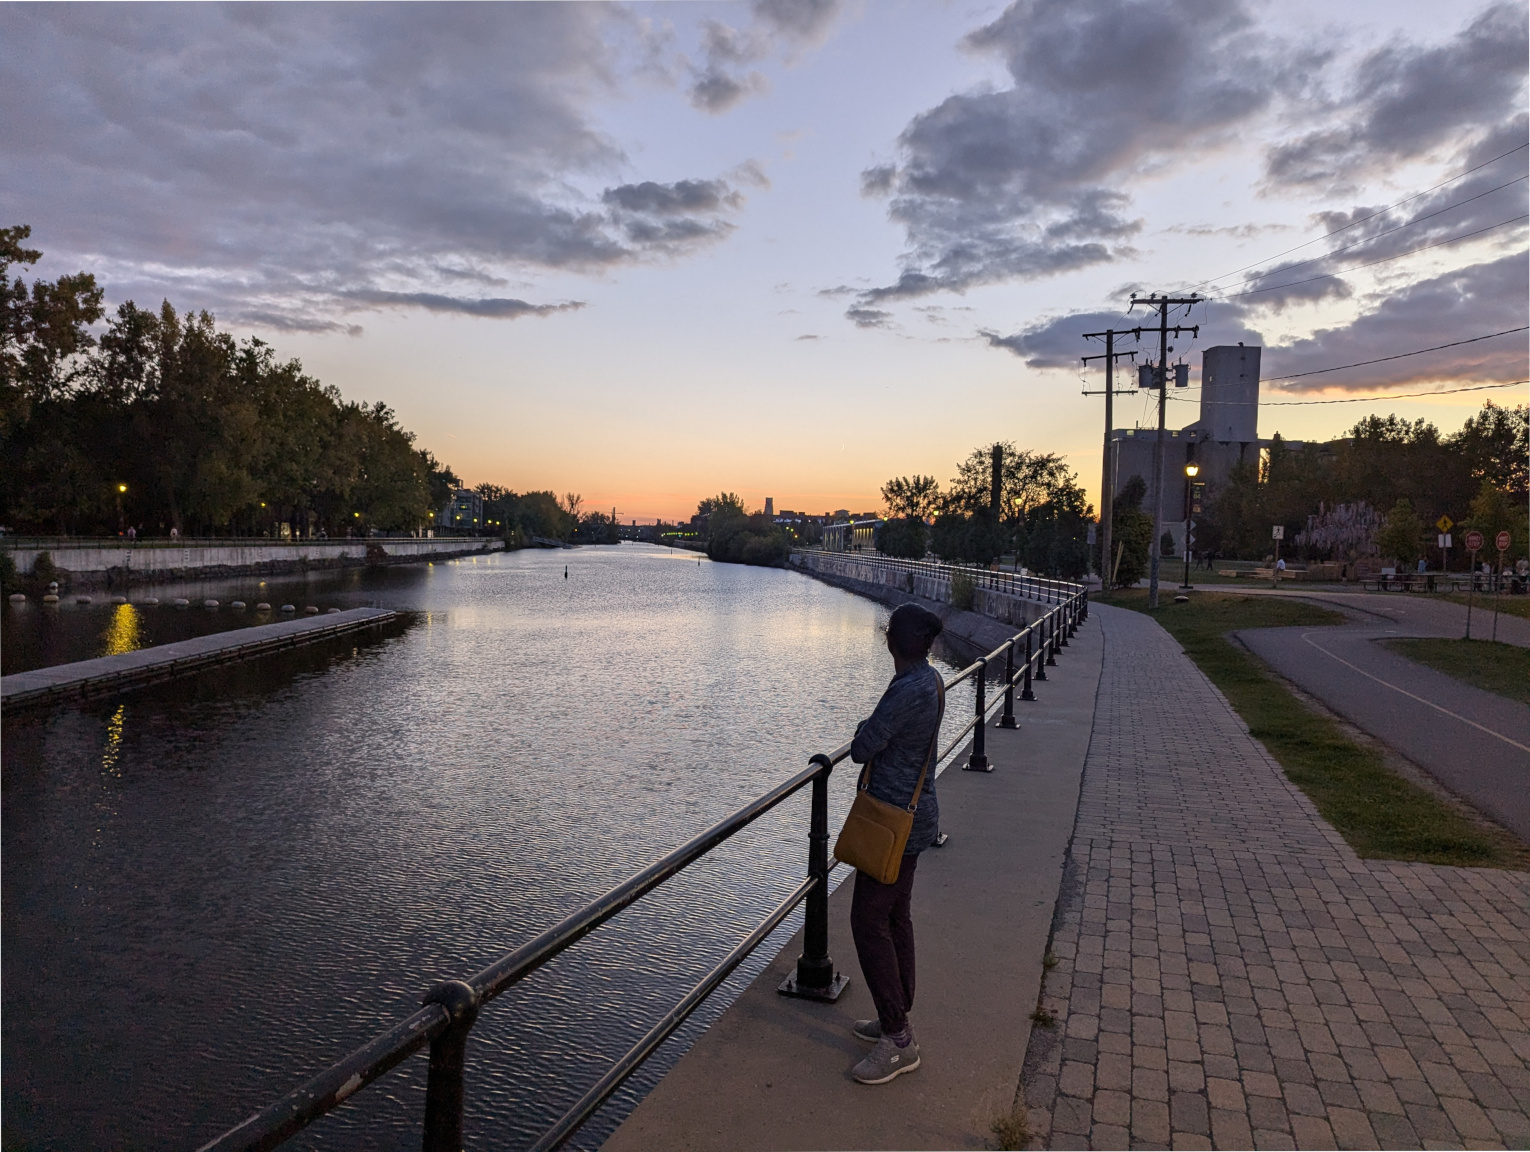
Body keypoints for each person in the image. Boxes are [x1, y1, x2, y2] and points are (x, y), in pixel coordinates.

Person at [845, 602, 946, 1085]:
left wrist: (864, 731)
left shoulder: (907, 689)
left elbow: (864, 747)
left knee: (867, 920)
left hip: (891, 824)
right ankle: (895, 1014)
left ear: (893, 643)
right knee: (894, 914)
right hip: (914, 816)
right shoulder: (930, 680)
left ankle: (898, 1040)